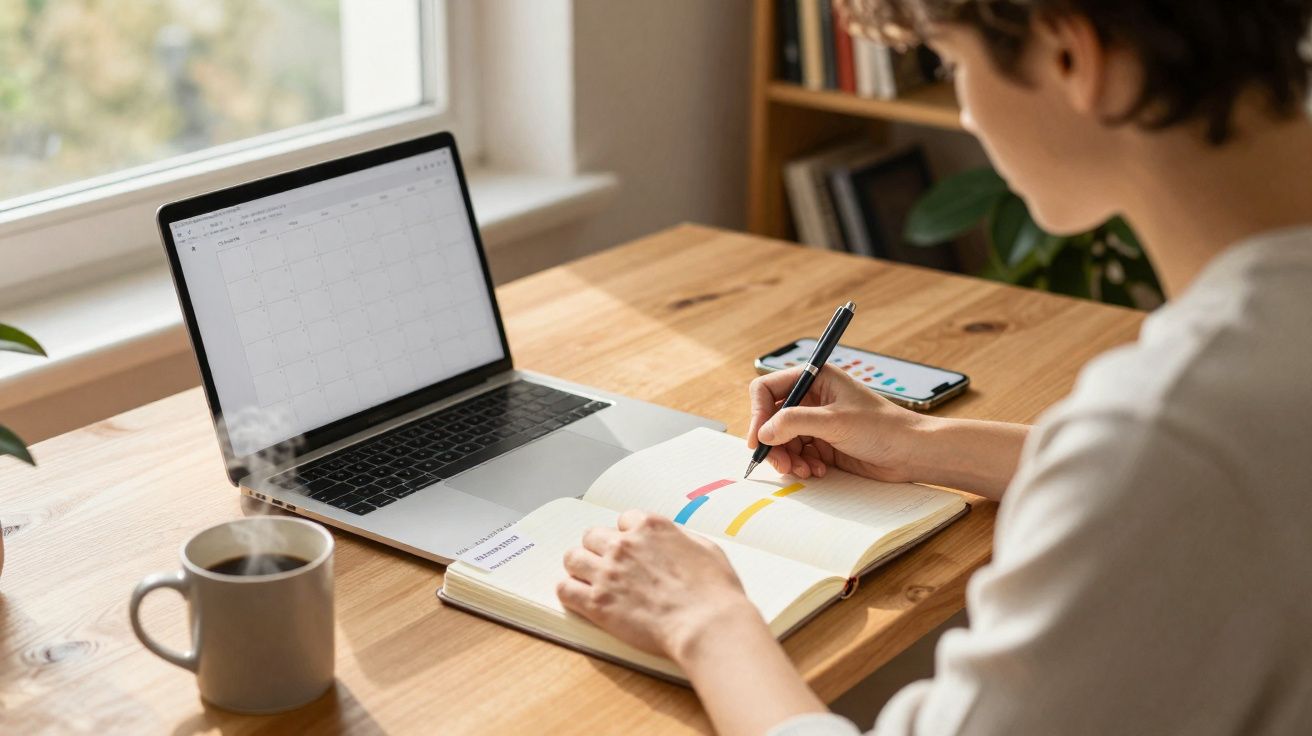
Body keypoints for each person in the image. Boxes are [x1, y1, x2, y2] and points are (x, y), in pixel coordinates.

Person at [555, 1, 1312, 733]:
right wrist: (917, 443)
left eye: (951, 64)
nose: (968, 114)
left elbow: (1159, 462)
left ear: (1071, 57)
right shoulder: (1235, 386)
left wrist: (706, 622)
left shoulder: (1165, 431)